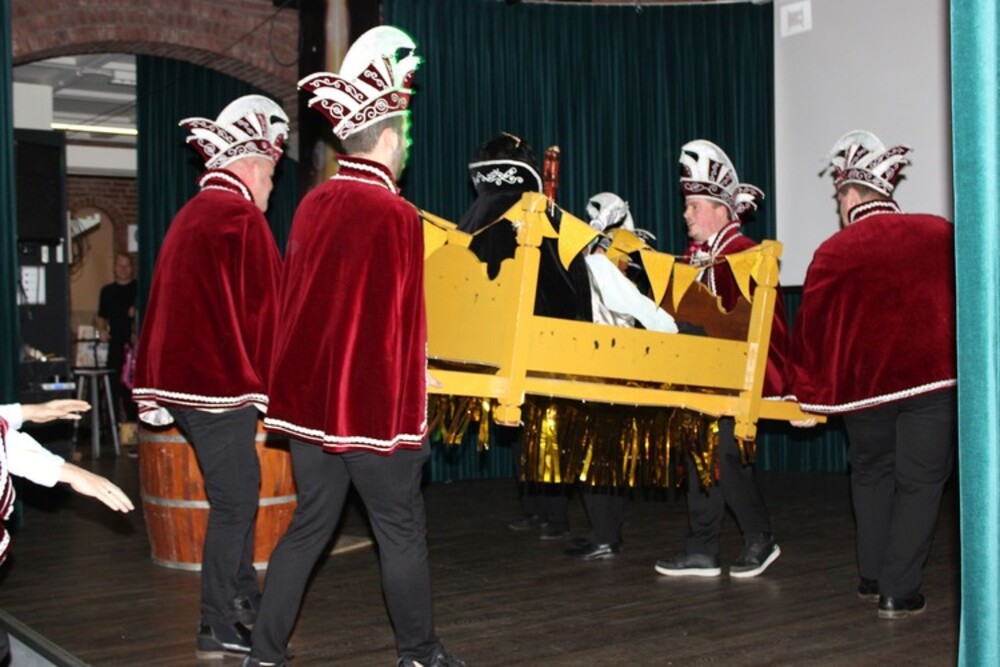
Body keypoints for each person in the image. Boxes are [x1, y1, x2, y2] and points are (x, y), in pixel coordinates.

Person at [250, 27, 464, 667]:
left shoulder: (311, 205)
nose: (408, 147)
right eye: (406, 136)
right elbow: (402, 320)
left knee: (308, 527)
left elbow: (300, 306)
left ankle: (263, 654)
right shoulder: (396, 215)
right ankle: (418, 654)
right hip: (372, 416)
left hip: (312, 412)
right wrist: (414, 401)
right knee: (400, 532)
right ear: (391, 138)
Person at [132, 95, 289, 660]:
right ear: (248, 166)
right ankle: (216, 621)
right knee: (235, 502)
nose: (271, 187)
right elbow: (269, 311)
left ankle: (243, 597)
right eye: (269, 173)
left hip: (189, 387)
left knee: (238, 491)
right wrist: (286, 384)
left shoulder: (194, 213)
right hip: (217, 388)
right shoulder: (239, 217)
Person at [785, 130, 956, 619]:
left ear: (850, 196)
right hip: (932, 382)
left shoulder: (832, 251)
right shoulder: (939, 233)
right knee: (921, 481)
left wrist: (803, 394)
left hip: (864, 390)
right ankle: (898, 591)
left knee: (870, 472)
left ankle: (873, 576)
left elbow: (813, 329)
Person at [654, 139, 788, 579]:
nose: (686, 214)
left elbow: (763, 326)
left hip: (733, 379)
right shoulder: (697, 258)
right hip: (700, 378)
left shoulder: (744, 254)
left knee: (726, 459)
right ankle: (702, 548)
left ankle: (760, 537)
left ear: (720, 210)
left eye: (694, 206)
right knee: (701, 458)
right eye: (687, 205)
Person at [458, 132, 594, 541]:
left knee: (544, 429)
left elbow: (565, 282)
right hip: (522, 337)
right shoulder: (516, 214)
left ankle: (554, 514)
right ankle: (537, 509)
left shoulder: (537, 218)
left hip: (543, 338)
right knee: (524, 426)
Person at [565, 192, 678, 561]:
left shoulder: (600, 270)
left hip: (606, 379)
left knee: (599, 459)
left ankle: (606, 537)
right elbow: (658, 321)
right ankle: (602, 533)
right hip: (596, 376)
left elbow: (654, 319)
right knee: (594, 459)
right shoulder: (596, 267)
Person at [96, 252, 137, 422]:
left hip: (134, 349)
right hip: (115, 347)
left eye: (127, 266)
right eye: (120, 266)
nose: (123, 269)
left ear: (132, 268)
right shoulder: (107, 291)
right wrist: (101, 330)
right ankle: (113, 428)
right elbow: (101, 317)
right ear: (114, 268)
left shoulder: (139, 288)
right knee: (112, 389)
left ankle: (134, 426)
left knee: (132, 392)